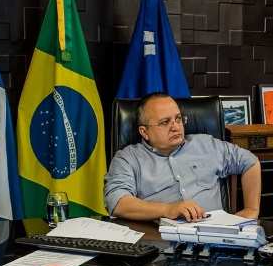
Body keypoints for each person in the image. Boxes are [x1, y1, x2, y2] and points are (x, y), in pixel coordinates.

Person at [104, 92, 261, 221]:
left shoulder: (206, 144)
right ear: (144, 132)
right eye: (165, 122)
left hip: (214, 235)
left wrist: (251, 210)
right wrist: (168, 209)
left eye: (178, 119)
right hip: (160, 240)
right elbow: (117, 202)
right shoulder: (128, 158)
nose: (175, 127)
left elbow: (250, 162)